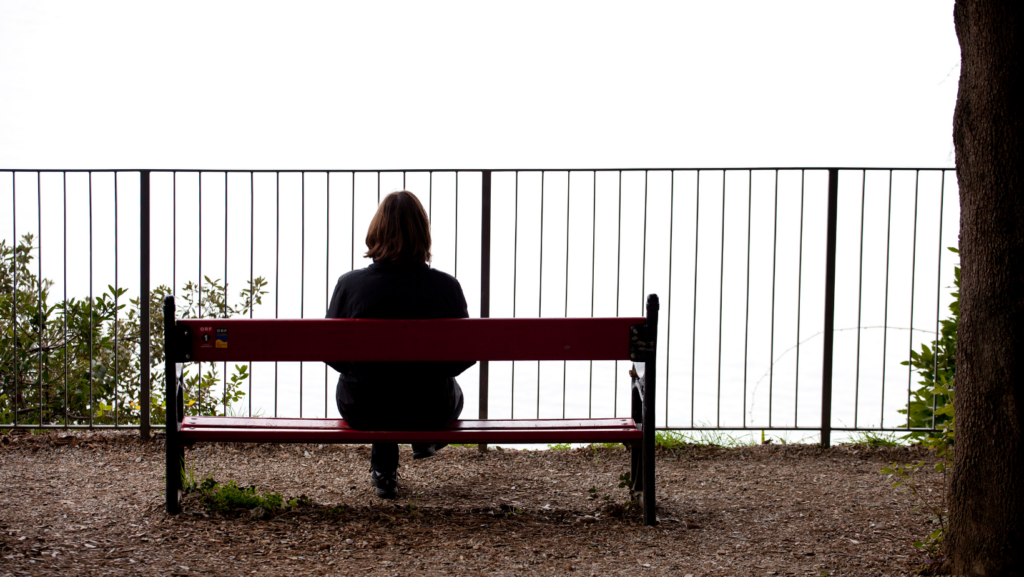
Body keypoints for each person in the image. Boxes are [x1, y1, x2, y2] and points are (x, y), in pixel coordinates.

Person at [325, 190, 474, 499]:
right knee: (438, 387)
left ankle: (384, 472)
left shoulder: (349, 285)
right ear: (422, 234)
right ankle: (423, 438)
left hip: (363, 409)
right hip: (430, 409)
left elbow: (331, 353)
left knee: (375, 386)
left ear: (376, 231)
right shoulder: (446, 287)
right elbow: (462, 358)